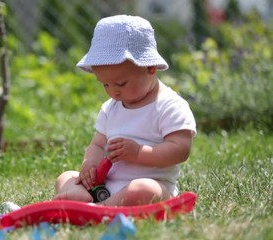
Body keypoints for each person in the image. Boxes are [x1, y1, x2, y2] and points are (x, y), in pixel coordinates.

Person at [52, 15, 197, 206]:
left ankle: (99, 209)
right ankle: (84, 199)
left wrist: (138, 152)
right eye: (105, 85)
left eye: (121, 83)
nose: (113, 91)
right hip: (104, 187)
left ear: (150, 68)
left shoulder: (169, 106)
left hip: (149, 186)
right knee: (66, 177)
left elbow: (180, 150)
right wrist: (91, 163)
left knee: (144, 189)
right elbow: (97, 145)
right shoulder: (110, 108)